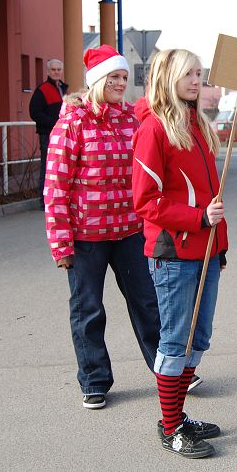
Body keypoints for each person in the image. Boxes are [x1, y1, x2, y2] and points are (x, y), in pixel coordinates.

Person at [44, 45, 160, 410]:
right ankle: (94, 380)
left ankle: (169, 371)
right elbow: (56, 187)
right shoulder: (72, 122)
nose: (122, 83)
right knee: (88, 310)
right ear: (97, 80)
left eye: (124, 77)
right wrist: (61, 245)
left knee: (148, 303)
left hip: (129, 231)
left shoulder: (131, 120)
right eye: (114, 77)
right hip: (86, 238)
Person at [132, 48, 228, 458]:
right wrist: (198, 218)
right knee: (175, 342)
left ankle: (178, 416)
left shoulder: (197, 124)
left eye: (199, 73)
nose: (196, 80)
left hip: (207, 250)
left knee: (197, 340)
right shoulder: (154, 129)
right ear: (167, 76)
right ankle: (170, 427)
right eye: (188, 73)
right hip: (174, 254)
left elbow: (209, 193)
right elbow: (145, 200)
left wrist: (218, 241)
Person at [30, 59, 67, 209]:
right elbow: (34, 112)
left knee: (60, 167)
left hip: (62, 134)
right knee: (47, 166)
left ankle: (57, 198)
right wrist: (53, 123)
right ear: (47, 71)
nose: (56, 72)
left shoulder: (63, 89)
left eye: (59, 69)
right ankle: (44, 200)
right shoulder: (42, 90)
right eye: (53, 69)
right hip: (48, 134)